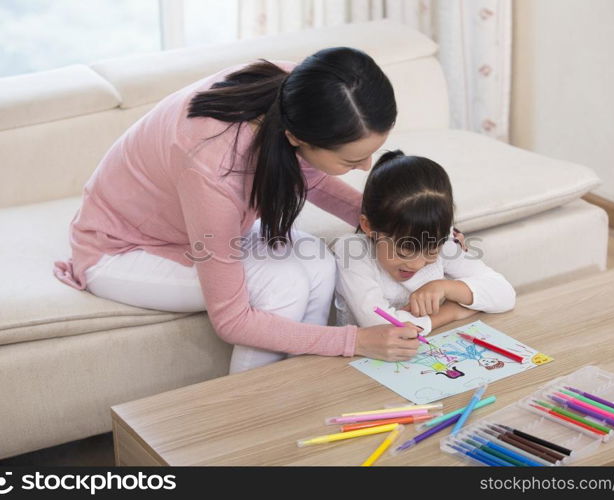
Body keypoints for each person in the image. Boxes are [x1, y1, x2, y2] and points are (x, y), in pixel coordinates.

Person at [53, 47, 420, 373]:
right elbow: (231, 320)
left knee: (321, 265)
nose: (367, 166)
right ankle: (250, 414)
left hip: (196, 226)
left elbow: (312, 175)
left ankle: (298, 390)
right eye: (352, 159)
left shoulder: (302, 92)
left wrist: (398, 225)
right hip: (122, 250)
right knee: (283, 285)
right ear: (297, 137)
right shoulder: (211, 162)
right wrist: (355, 341)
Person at [332, 150, 516, 338]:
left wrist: (445, 287)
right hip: (358, 361)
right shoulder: (353, 250)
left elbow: (505, 294)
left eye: (431, 252)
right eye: (404, 252)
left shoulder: (440, 240)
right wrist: (452, 312)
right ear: (368, 226)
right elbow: (381, 326)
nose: (417, 265)